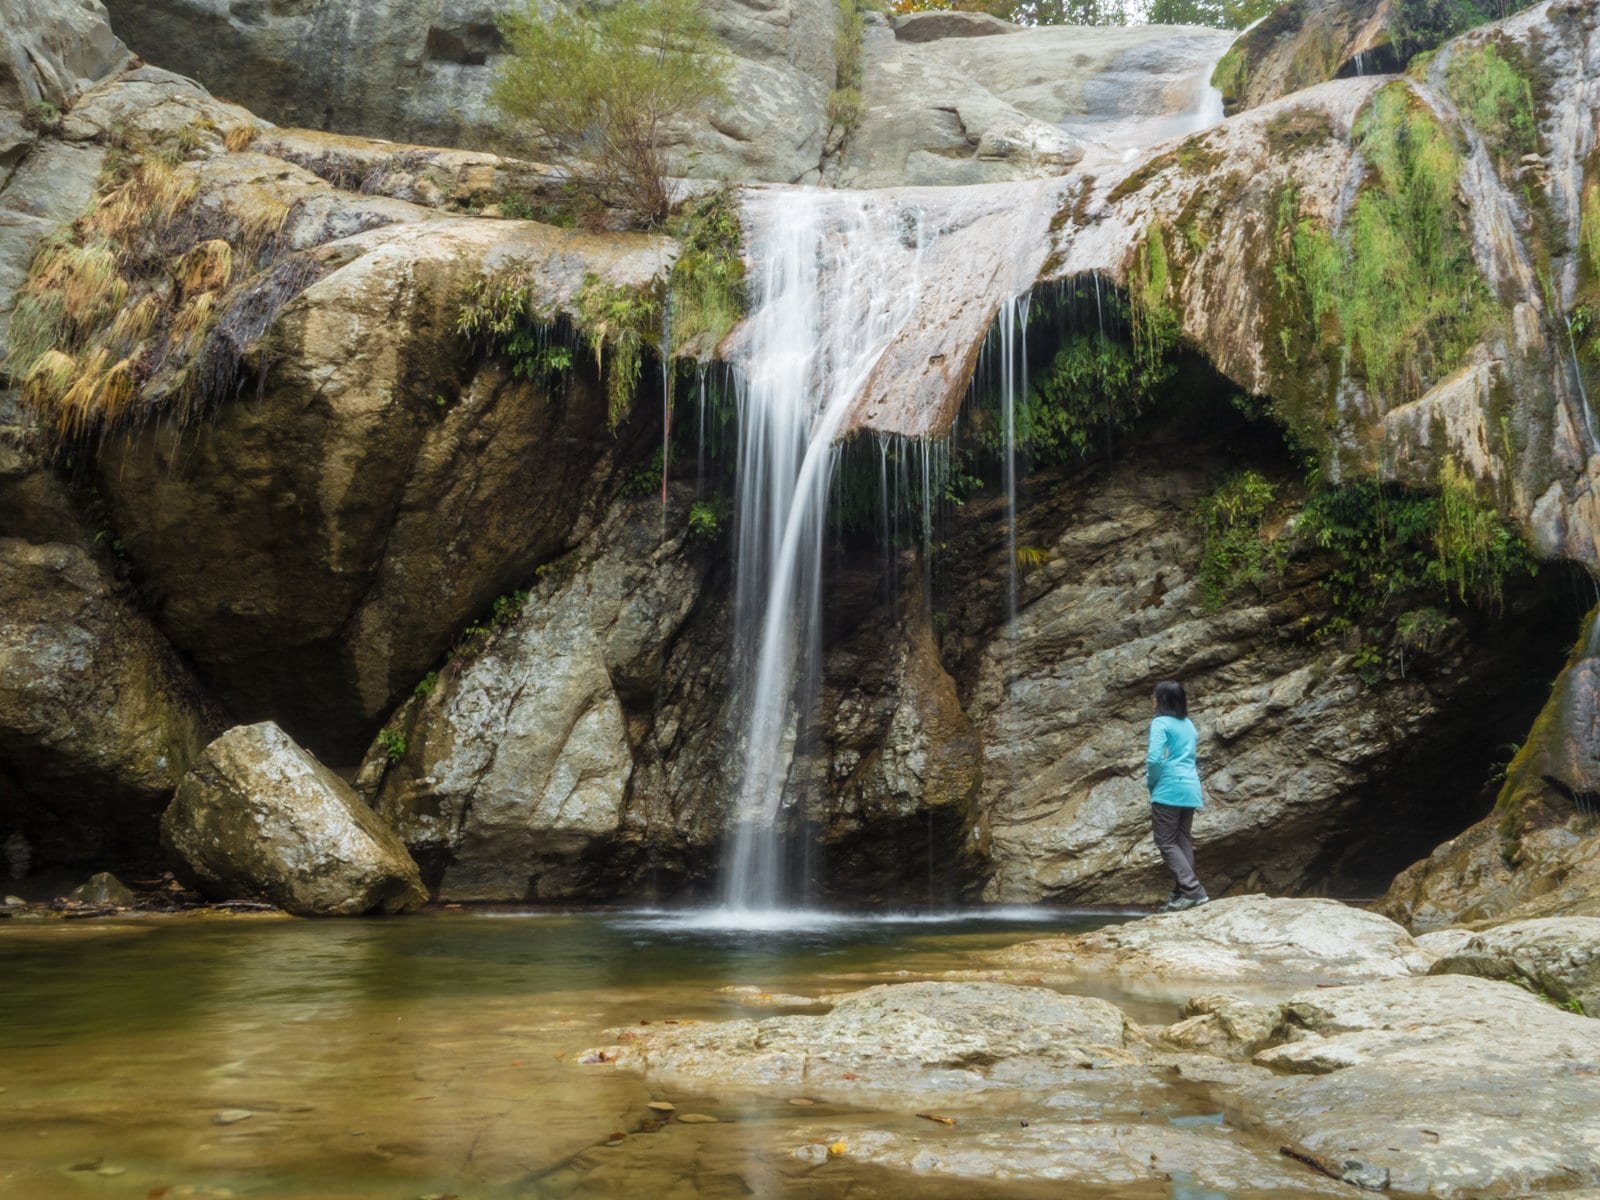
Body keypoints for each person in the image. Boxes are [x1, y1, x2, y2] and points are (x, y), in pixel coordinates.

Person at [1145, 679, 1208, 912]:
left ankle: (1193, 891)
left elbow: (1154, 759)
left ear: (1162, 700)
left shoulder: (1160, 723)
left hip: (1169, 788)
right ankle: (1182, 894)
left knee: (1165, 841)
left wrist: (1152, 783)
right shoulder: (1188, 724)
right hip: (1191, 787)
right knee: (1182, 840)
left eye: (1154, 695)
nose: (1151, 700)